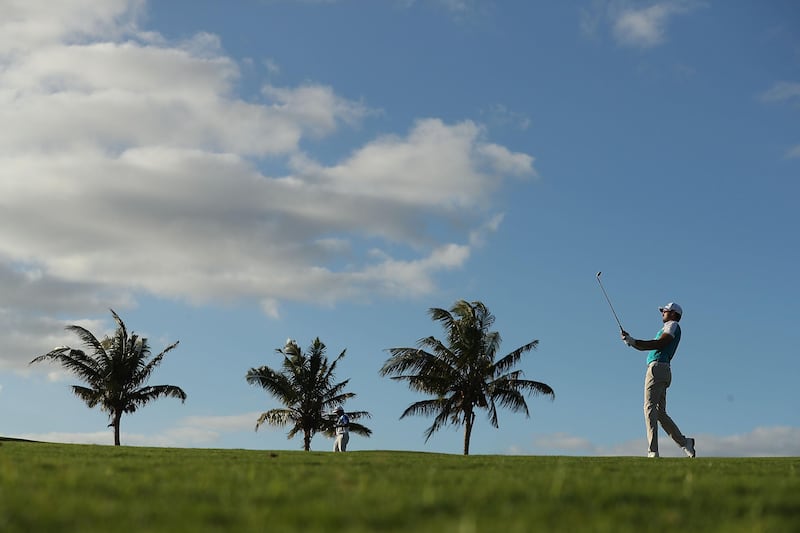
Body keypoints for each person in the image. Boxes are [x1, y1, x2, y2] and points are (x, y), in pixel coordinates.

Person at [621, 302, 695, 458]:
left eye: (665, 310)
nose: (662, 313)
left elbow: (660, 343)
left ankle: (652, 451)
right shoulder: (666, 328)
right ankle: (684, 443)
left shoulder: (673, 326)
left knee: (649, 408)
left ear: (674, 314)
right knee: (660, 413)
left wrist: (635, 341)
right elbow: (650, 346)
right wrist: (632, 341)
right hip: (662, 369)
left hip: (658, 369)